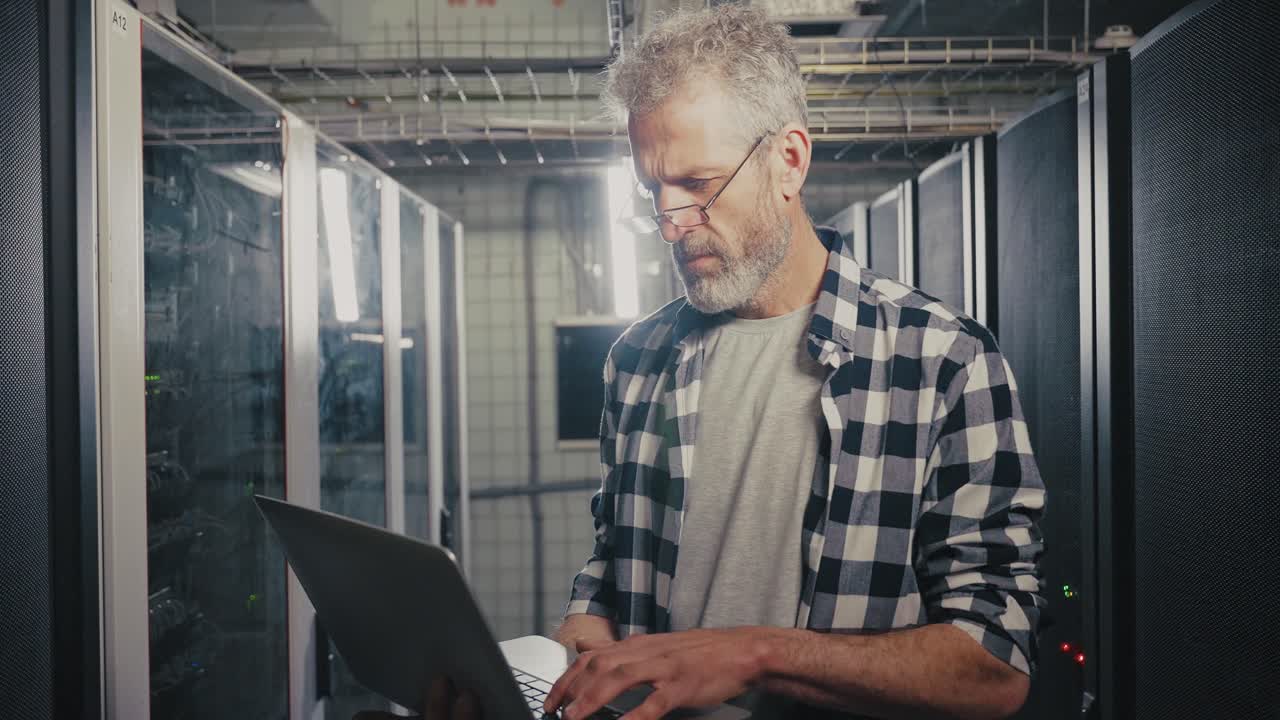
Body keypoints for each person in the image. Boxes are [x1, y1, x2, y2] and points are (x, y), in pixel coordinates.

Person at [360, 5, 1045, 719]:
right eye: (653, 193)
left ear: (790, 160)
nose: (673, 223)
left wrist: (755, 653)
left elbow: (995, 665)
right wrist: (572, 646)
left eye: (698, 184)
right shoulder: (638, 360)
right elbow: (609, 572)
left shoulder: (944, 362)